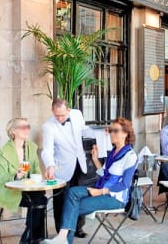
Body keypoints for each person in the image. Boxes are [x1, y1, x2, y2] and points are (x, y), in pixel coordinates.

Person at [45, 117, 138, 244]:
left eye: (115, 131)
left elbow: (124, 184)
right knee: (71, 192)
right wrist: (95, 159)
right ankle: (63, 238)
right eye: (111, 130)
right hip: (101, 189)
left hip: (116, 198)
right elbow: (104, 174)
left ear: (125, 134)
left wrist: (100, 192)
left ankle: (63, 239)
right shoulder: (113, 152)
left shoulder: (130, 156)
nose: (111, 133)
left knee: (74, 206)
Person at [41, 99, 96, 238]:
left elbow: (84, 130)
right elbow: (47, 150)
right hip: (61, 167)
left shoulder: (77, 114)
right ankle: (61, 231)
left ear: (69, 110)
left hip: (79, 164)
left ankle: (78, 228)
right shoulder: (48, 126)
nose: (60, 118)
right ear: (52, 111)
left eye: (63, 115)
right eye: (57, 115)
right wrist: (50, 166)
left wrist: (100, 133)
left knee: (79, 196)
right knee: (61, 199)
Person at [0, 118, 47, 243]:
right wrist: (16, 176)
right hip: (10, 191)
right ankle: (33, 237)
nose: (27, 129)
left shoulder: (31, 147)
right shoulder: (3, 152)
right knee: (38, 201)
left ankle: (31, 235)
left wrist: (40, 180)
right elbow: (0, 177)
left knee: (41, 197)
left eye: (28, 126)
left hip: (29, 188)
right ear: (13, 131)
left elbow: (35, 169)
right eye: (22, 127)